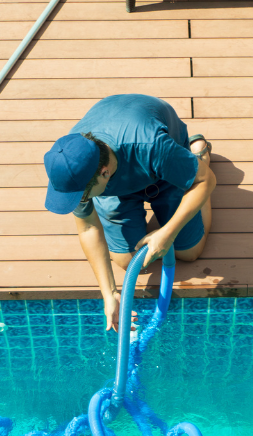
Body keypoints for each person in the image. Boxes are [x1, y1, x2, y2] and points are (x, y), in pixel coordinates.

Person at [42, 94, 215, 332]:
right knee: (126, 260)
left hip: (161, 169)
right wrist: (110, 293)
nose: (80, 201)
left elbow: (207, 181)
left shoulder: (151, 145)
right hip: (120, 182)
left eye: (82, 196)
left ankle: (197, 156)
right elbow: (88, 227)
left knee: (189, 251)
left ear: (104, 173)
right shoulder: (73, 166)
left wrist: (167, 233)